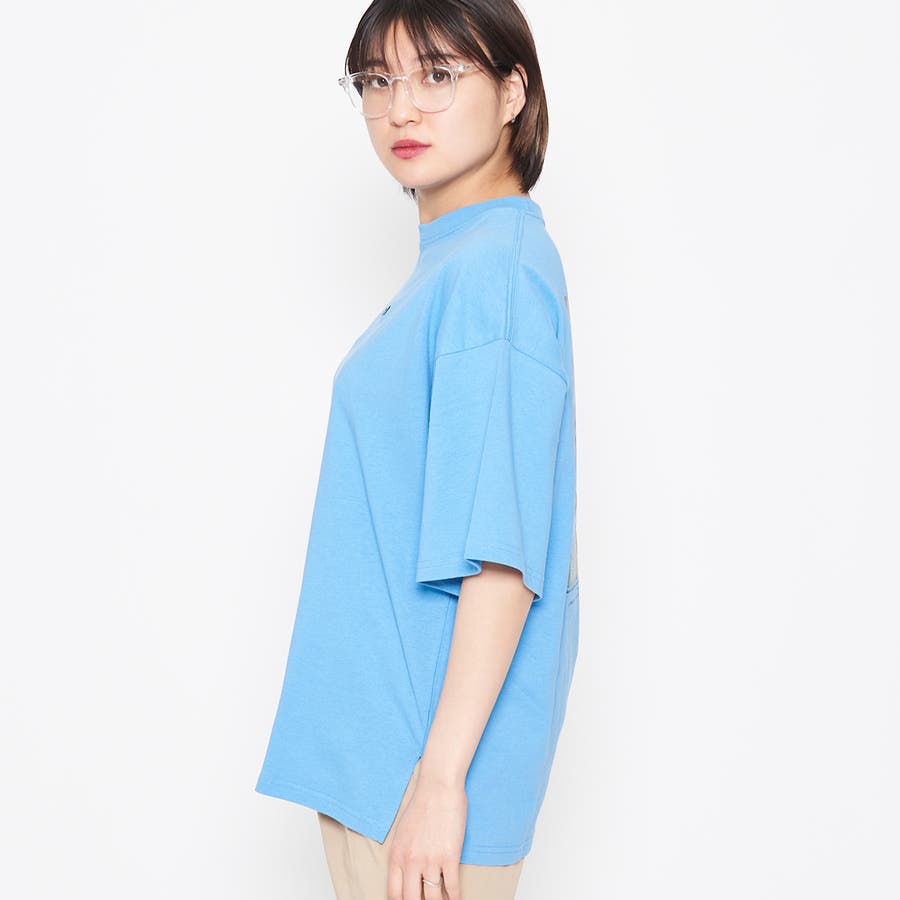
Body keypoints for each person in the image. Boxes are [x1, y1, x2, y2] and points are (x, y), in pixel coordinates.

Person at [254, 2, 580, 898]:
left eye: (438, 75)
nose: (401, 108)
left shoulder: (492, 273)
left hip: (417, 788)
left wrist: (438, 783)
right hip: (387, 773)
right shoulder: (462, 260)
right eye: (377, 80)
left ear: (512, 92)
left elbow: (502, 556)